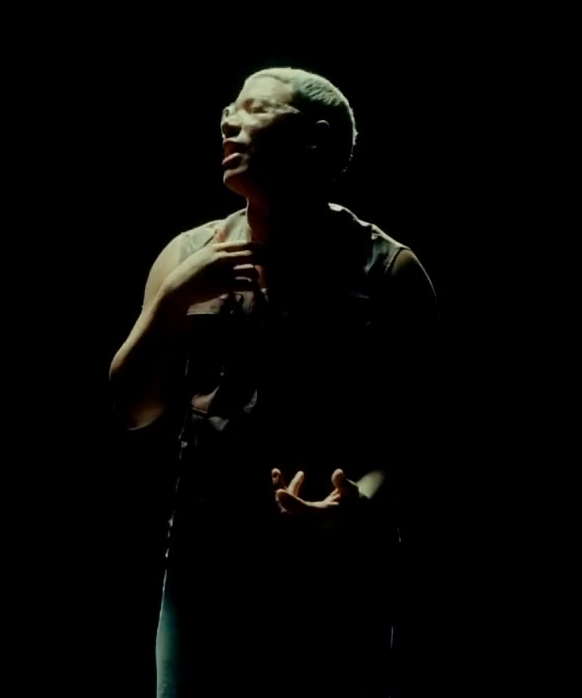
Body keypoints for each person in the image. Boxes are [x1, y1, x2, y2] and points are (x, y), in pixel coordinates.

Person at [109, 67, 439, 698]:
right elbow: (131, 409)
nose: (229, 122)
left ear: (315, 139)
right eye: (229, 109)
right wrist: (169, 302)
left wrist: (361, 502)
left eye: (255, 109)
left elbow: (421, 431)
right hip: (205, 568)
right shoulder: (187, 256)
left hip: (334, 576)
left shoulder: (388, 271)